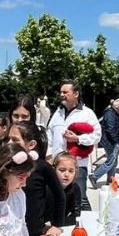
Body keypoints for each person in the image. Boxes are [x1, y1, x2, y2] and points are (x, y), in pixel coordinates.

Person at [46, 80, 100, 212]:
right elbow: (49, 136)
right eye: (61, 92)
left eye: (65, 92)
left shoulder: (87, 114)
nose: (62, 95)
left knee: (80, 198)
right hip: (57, 164)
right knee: (59, 196)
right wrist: (49, 155)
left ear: (76, 93)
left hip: (78, 165)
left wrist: (78, 138)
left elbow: (97, 136)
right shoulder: (57, 114)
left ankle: (88, 225)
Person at [10, 120, 65, 236]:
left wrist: (57, 224)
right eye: (9, 139)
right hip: (11, 229)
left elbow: (59, 194)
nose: (9, 143)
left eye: (15, 140)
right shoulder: (6, 165)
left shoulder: (41, 166)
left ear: (31, 145)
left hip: (34, 231)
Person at [91, 98, 119, 189]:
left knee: (114, 162)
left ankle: (111, 181)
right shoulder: (110, 114)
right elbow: (110, 130)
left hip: (113, 140)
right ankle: (94, 176)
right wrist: (116, 141)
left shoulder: (115, 114)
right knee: (110, 162)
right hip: (110, 141)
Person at [52, 151, 82, 225]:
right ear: (54, 170)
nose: (66, 174)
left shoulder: (75, 188)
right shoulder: (48, 188)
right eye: (62, 170)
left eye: (71, 171)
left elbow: (76, 212)